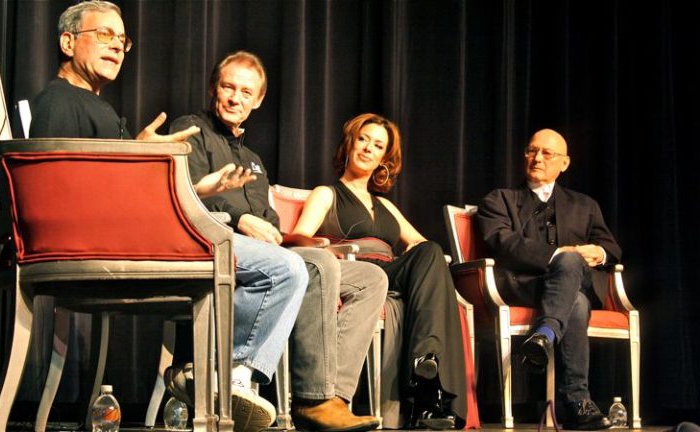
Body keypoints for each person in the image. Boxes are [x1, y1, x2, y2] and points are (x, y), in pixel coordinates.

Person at [30, 3, 310, 432]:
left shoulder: (94, 106)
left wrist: (181, 179)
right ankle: (224, 374)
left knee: (300, 265)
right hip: (115, 249)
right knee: (285, 268)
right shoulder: (59, 102)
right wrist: (141, 160)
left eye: (121, 39)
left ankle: (219, 375)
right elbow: (63, 196)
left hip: (137, 240)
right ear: (68, 42)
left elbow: (120, 190)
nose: (117, 47)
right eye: (103, 35)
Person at [167, 51, 388, 432]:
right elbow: (182, 194)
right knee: (313, 267)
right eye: (228, 87)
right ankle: (302, 395)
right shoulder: (191, 129)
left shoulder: (253, 159)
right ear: (213, 89)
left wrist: (283, 234)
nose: (235, 98)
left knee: (371, 279)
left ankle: (335, 396)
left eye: (245, 92)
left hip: (264, 250)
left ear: (259, 100)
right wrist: (240, 218)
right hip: (211, 243)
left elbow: (268, 220)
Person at [292, 113, 478, 429]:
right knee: (428, 257)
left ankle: (427, 368)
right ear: (349, 144)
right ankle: (428, 387)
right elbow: (299, 238)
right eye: (363, 140)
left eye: (378, 145)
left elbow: (419, 243)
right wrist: (328, 249)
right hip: (355, 269)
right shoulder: (327, 193)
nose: (368, 148)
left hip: (390, 269)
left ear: (384, 159)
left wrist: (423, 264)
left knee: (431, 250)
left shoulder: (386, 206)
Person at [477, 128, 621, 430]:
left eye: (547, 153)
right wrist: (558, 254)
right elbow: (503, 242)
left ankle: (544, 335)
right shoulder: (499, 199)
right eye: (532, 151)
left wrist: (599, 253)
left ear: (564, 163)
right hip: (525, 286)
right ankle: (578, 402)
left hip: (572, 281)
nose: (537, 158)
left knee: (572, 270)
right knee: (575, 299)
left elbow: (611, 248)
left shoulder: (585, 205)